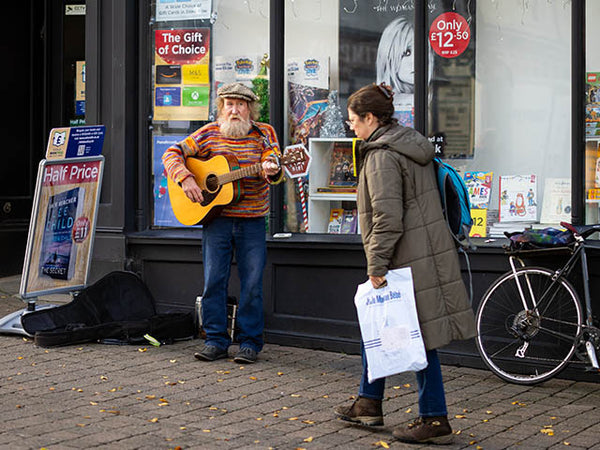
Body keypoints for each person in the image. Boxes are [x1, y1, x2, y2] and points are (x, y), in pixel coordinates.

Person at [334, 83, 476, 445]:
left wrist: (376, 264)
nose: (351, 127)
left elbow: (387, 216)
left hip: (404, 257)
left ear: (370, 118)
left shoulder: (382, 155)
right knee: (380, 325)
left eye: (354, 120)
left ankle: (434, 417)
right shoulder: (406, 142)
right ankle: (369, 402)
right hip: (420, 253)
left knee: (418, 337)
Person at [162, 82, 283, 364]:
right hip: (216, 221)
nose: (235, 110)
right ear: (222, 107)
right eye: (229, 104)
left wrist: (271, 169)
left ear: (250, 109)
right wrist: (186, 177)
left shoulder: (264, 134)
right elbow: (171, 153)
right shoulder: (208, 133)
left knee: (252, 283)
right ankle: (215, 340)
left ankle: (250, 343)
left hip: (252, 221)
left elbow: (274, 168)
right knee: (214, 281)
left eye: (241, 105)